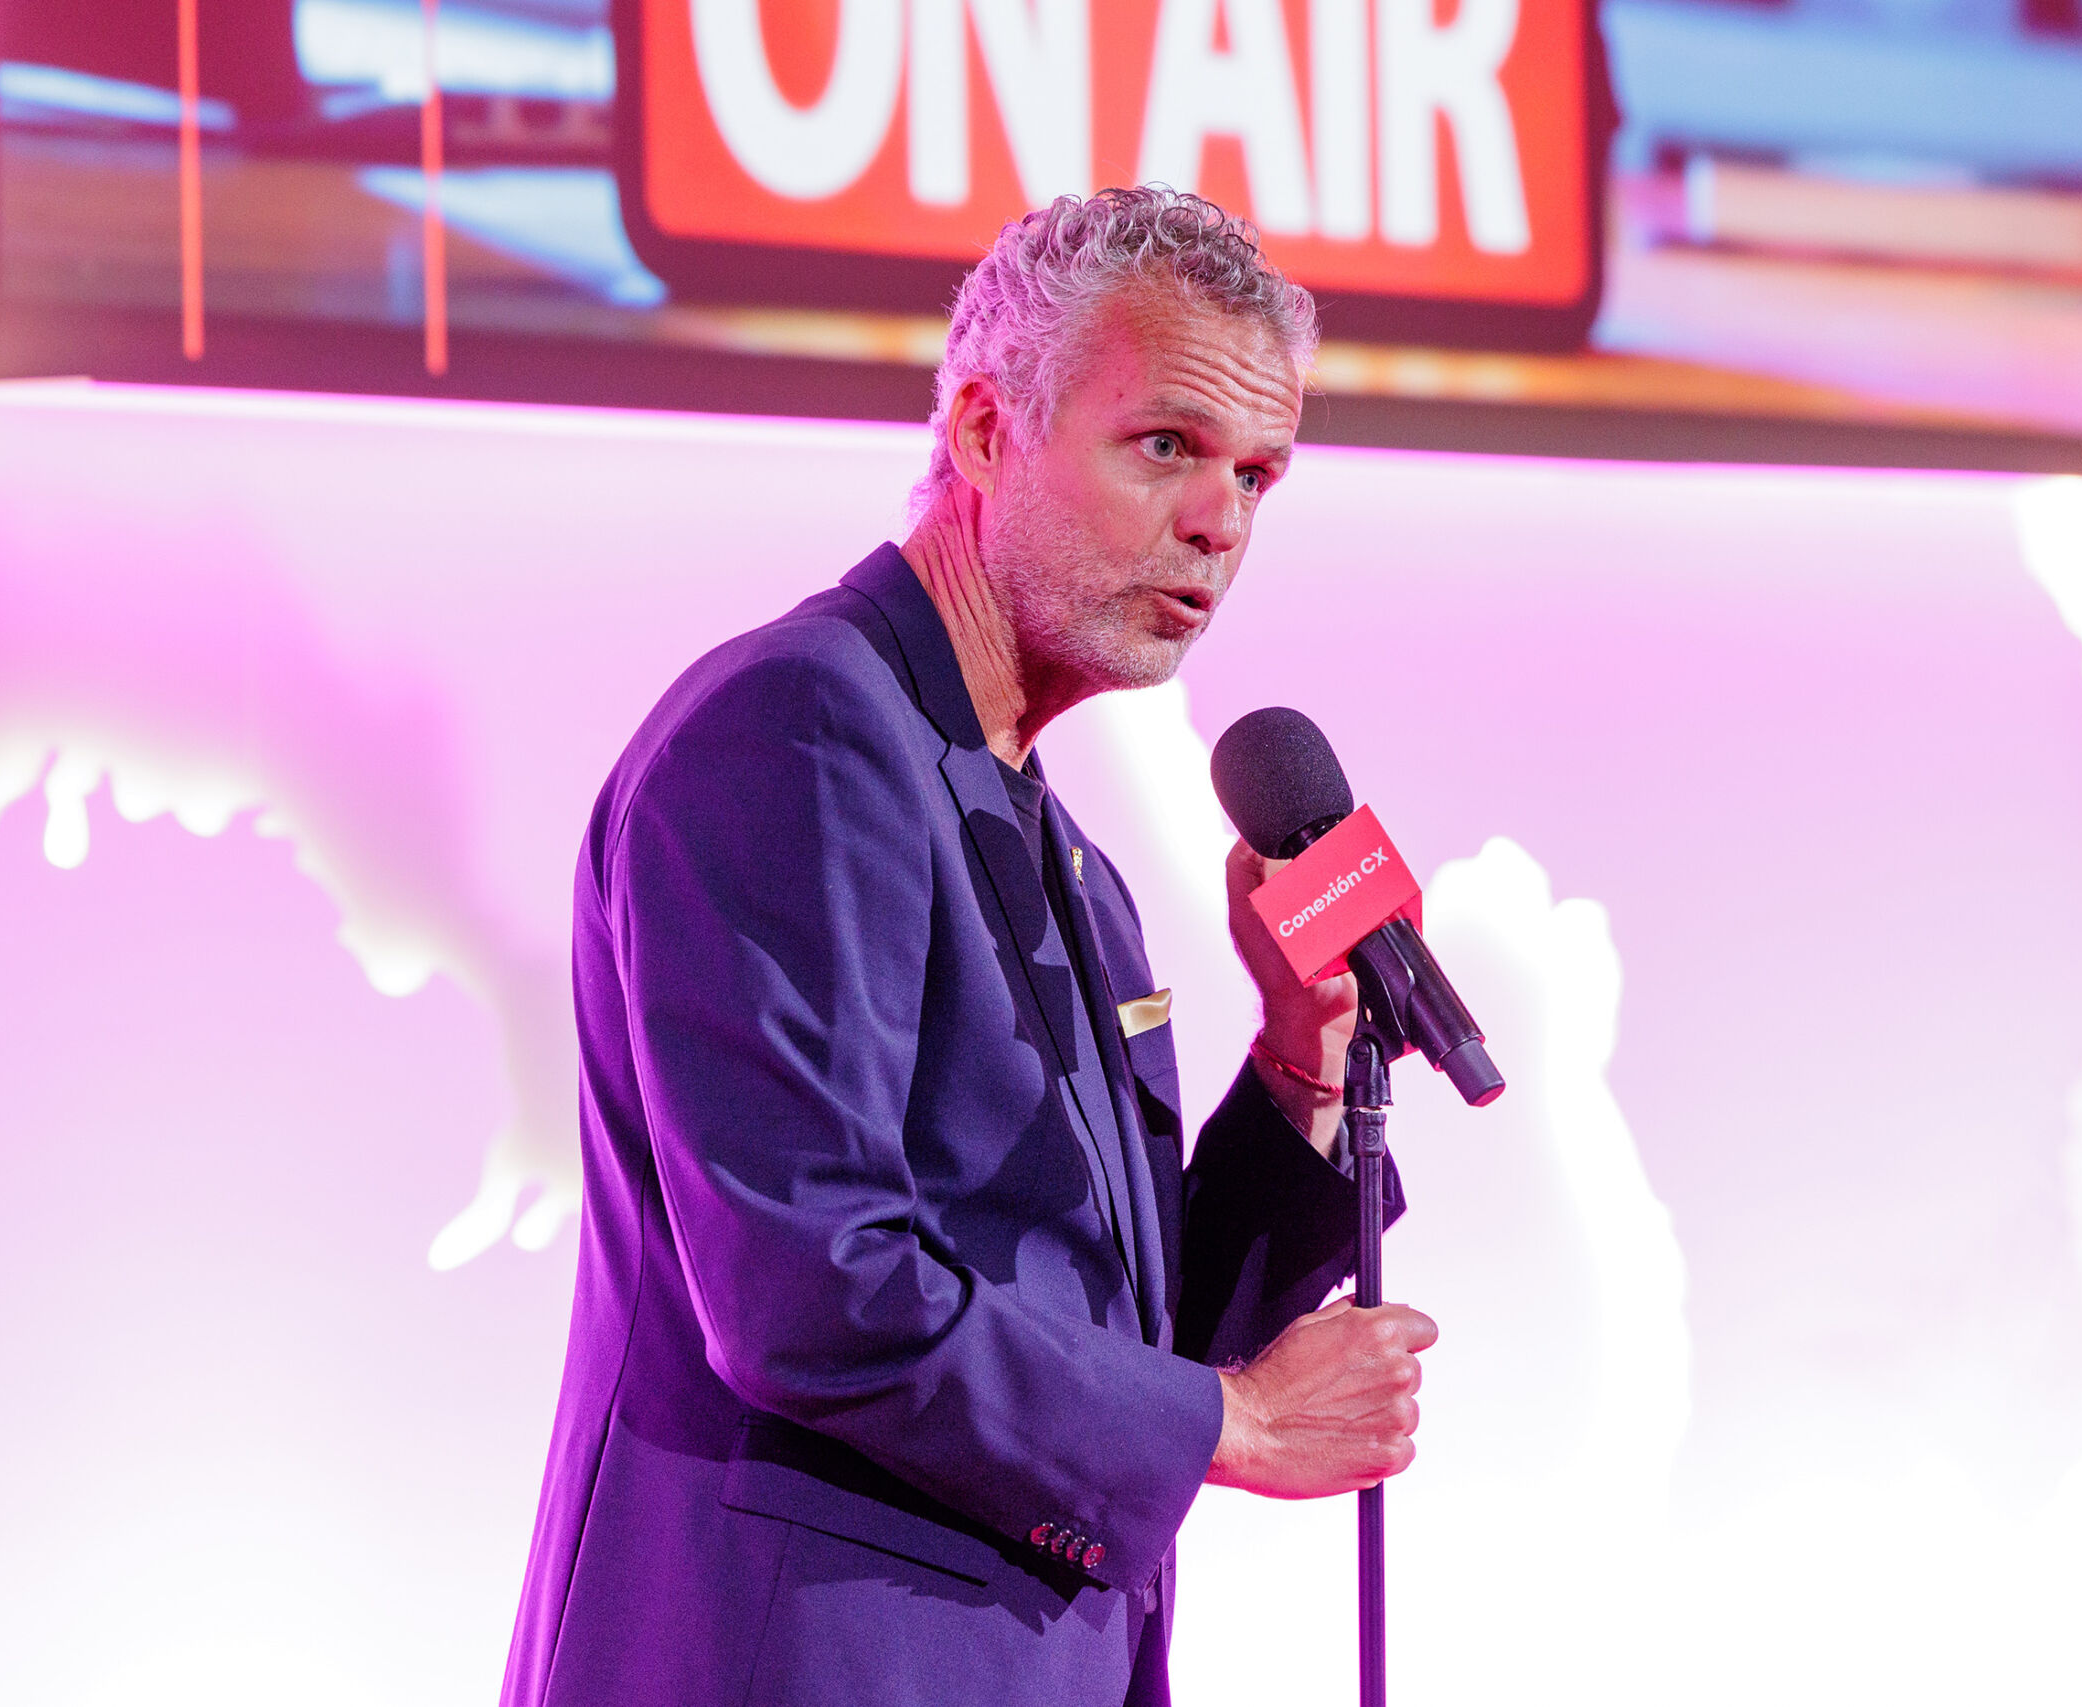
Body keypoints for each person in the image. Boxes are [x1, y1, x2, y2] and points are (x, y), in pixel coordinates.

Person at [500, 187, 1438, 1707]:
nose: (1222, 523)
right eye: (1168, 446)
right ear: (991, 432)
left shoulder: (1060, 855)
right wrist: (1239, 1426)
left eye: (1258, 474)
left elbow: (1123, 1337)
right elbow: (812, 1290)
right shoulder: (798, 733)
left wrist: (1300, 1060)